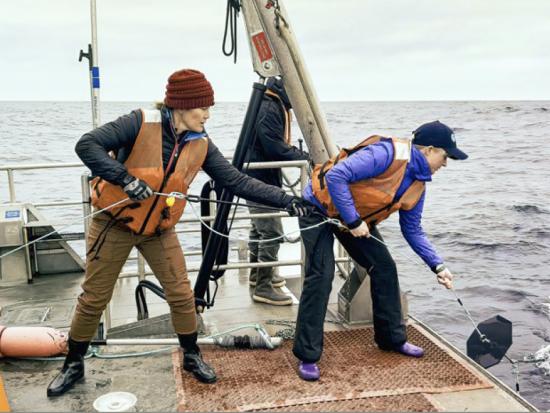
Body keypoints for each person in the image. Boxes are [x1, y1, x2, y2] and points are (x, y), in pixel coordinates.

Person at [46, 68, 313, 397]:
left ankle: (191, 355)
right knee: (94, 299)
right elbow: (87, 145)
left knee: (182, 295)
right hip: (114, 224)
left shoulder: (201, 143)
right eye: (204, 108)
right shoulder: (139, 122)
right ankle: (73, 364)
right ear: (183, 106)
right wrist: (124, 179)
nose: (208, 114)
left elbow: (236, 180)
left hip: (158, 229)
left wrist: (288, 201)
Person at [292, 121, 467, 381]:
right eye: (445, 156)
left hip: (353, 219)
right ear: (430, 150)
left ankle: (391, 339)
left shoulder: (419, 184)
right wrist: (352, 222)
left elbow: (413, 230)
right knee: (322, 275)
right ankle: (307, 356)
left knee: (384, 267)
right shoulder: (385, 154)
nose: (446, 163)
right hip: (318, 208)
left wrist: (437, 265)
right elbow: (336, 176)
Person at [245, 77, 310, 306]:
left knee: (259, 229)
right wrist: (305, 158)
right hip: (259, 179)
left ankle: (258, 275)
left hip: (257, 175)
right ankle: (263, 287)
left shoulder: (269, 103)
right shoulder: (269, 107)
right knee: (271, 231)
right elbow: (274, 147)